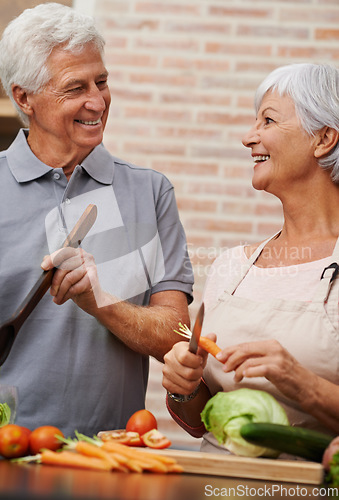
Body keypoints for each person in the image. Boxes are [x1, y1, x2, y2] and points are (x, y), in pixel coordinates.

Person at [0, 3, 193, 437]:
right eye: (75, 88)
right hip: (7, 452)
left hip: (111, 459)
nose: (97, 101)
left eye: (101, 82)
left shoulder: (149, 192)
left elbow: (177, 335)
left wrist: (102, 302)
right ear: (23, 97)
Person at [162, 63, 339, 453]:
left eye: (268, 121)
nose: (248, 137)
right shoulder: (231, 268)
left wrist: (300, 382)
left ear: (324, 138)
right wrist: (183, 388)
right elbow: (201, 422)